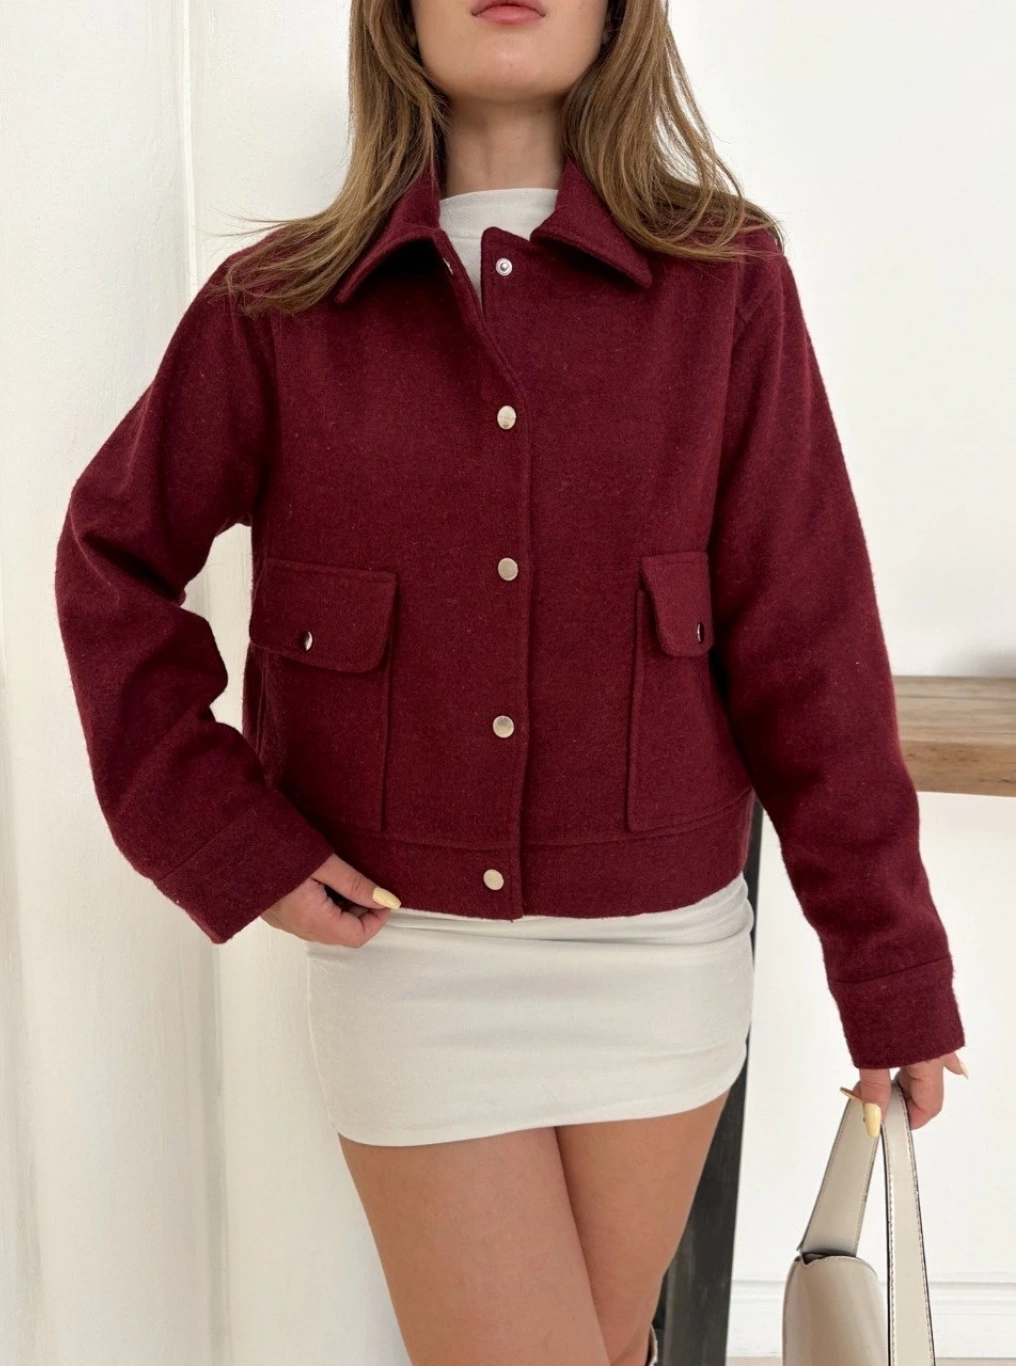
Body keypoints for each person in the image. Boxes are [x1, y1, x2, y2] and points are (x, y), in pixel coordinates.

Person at [54, 1, 968, 1363]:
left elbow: (809, 642)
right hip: (407, 956)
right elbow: (112, 562)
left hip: (662, 957)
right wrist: (232, 840)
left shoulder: (727, 285)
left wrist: (890, 969)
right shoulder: (279, 304)